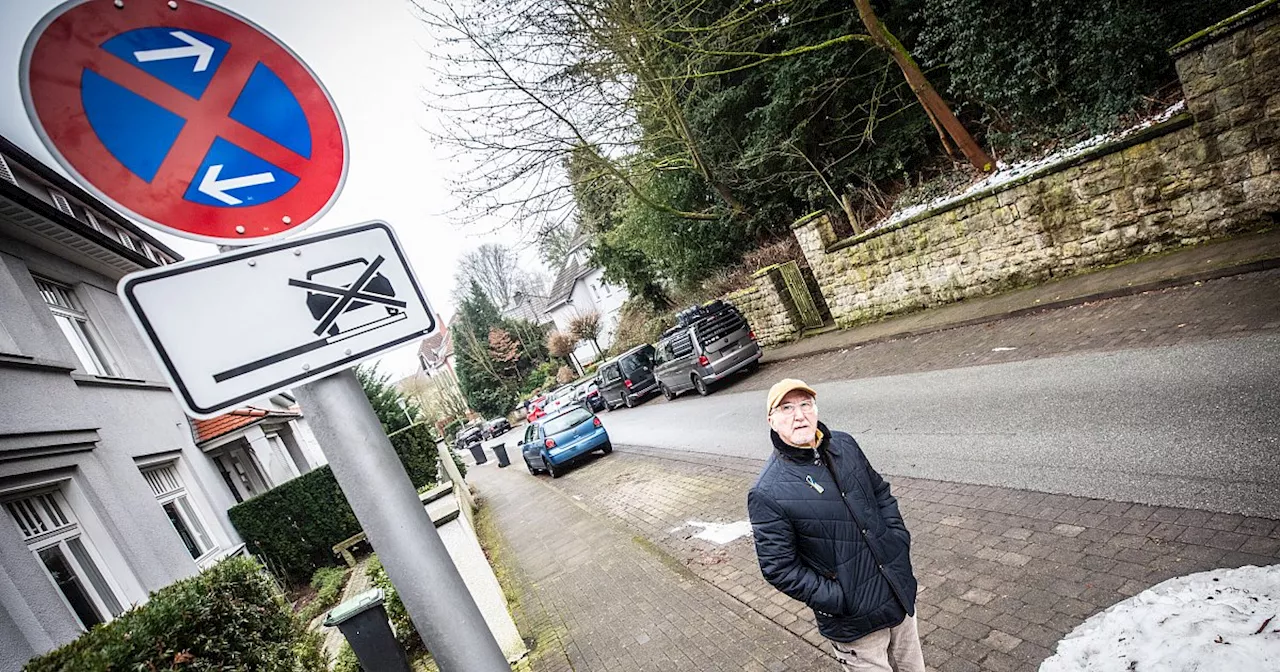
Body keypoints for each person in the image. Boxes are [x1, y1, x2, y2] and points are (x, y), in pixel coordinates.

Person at [748, 379, 924, 672]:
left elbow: (879, 491)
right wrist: (838, 599)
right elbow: (779, 568)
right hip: (855, 624)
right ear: (772, 420)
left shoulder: (844, 444)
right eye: (787, 408)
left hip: (897, 592)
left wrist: (897, 540)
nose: (799, 415)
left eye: (806, 404)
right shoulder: (768, 491)